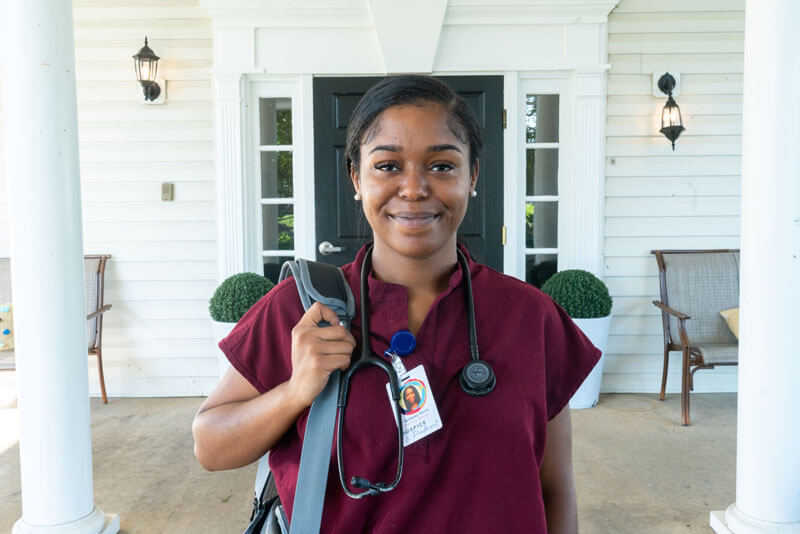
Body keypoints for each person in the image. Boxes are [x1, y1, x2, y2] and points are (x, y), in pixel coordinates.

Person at [192, 75, 600, 533]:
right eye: (387, 165)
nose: (413, 188)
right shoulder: (300, 309)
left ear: (473, 176)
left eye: (442, 165)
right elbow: (210, 446)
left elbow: (555, 489)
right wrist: (294, 392)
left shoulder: (531, 317)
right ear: (356, 178)